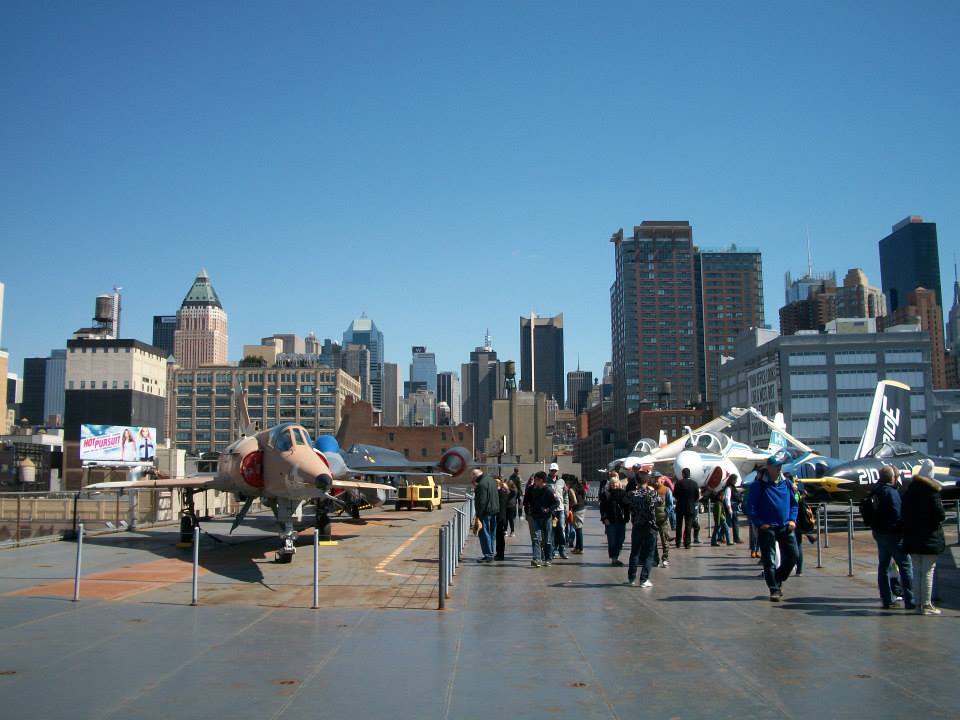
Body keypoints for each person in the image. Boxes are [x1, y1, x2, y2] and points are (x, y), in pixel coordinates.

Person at [744, 451, 798, 602]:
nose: (779, 469)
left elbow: (794, 504)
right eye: (776, 466)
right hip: (767, 528)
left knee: (793, 556)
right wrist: (760, 524)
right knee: (769, 560)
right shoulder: (759, 485)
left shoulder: (786, 483)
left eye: (780, 466)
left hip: (785, 526)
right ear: (769, 468)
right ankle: (774, 589)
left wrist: (792, 520)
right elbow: (751, 507)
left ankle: (778, 578)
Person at [902, 459, 946, 615]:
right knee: (928, 571)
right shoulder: (932, 491)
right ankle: (927, 605)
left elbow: (905, 513)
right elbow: (939, 514)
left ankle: (919, 603)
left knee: (917, 570)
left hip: (913, 537)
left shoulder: (910, 490)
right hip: (930, 537)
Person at [869, 465, 915, 609]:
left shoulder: (875, 492)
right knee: (905, 566)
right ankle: (910, 599)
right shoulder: (892, 493)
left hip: (879, 533)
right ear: (893, 478)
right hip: (893, 534)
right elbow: (898, 514)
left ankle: (887, 599)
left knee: (883, 567)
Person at [623, 471, 662, 587]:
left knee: (635, 552)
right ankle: (644, 579)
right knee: (649, 553)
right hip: (650, 526)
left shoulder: (631, 494)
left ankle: (631, 578)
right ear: (647, 481)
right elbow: (661, 501)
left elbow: (624, 501)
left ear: (636, 481)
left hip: (637, 525)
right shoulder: (652, 493)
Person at [523, 471, 558, 567]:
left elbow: (556, 503)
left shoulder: (549, 490)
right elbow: (528, 501)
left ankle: (548, 559)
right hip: (535, 517)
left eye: (536, 480)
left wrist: (548, 510)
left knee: (547, 539)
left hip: (546, 518)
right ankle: (537, 559)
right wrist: (529, 510)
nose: (534, 482)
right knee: (536, 538)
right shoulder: (534, 490)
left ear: (541, 480)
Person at [599, 471, 628, 566]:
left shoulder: (623, 494)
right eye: (612, 484)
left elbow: (627, 507)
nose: (614, 485)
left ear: (619, 484)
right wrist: (604, 518)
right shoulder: (606, 494)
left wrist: (627, 517)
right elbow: (602, 508)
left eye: (615, 484)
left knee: (621, 539)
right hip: (610, 520)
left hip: (621, 520)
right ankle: (614, 558)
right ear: (610, 485)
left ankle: (616, 555)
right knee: (612, 540)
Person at [472, 468, 500, 563]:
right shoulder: (491, 480)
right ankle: (491, 553)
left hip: (485, 512)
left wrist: (478, 516)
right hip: (494, 510)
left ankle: (488, 555)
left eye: (472, 476)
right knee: (492, 533)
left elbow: (482, 501)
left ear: (475, 476)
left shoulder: (481, 484)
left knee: (484, 533)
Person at [673, 468, 700, 549]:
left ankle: (678, 542)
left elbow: (675, 494)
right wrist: (691, 501)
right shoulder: (694, 484)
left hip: (680, 506)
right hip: (690, 507)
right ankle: (687, 543)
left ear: (683, 474)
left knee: (679, 525)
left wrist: (680, 499)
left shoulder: (678, 483)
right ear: (689, 474)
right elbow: (697, 496)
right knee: (688, 526)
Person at [546, 463, 569, 560]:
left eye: (555, 470)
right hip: (551, 510)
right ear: (549, 471)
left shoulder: (561, 481)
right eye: (552, 470)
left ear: (557, 471)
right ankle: (552, 550)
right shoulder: (546, 481)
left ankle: (562, 550)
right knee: (552, 531)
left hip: (560, 509)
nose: (553, 472)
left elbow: (565, 496)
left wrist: (566, 508)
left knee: (561, 529)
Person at [652, 473, 672, 568]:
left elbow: (670, 504)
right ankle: (655, 559)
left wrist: (666, 513)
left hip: (663, 519)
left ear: (661, 479)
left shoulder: (666, 490)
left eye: (657, 478)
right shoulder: (650, 490)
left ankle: (665, 559)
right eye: (654, 478)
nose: (656, 480)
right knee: (653, 541)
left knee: (665, 540)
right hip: (652, 520)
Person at [569, 476, 586, 554]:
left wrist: (570, 506)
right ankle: (578, 547)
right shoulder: (580, 487)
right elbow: (584, 496)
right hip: (582, 508)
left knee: (578, 529)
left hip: (577, 509)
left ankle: (580, 548)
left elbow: (574, 501)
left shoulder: (572, 489)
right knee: (579, 528)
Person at [494, 478, 510, 561]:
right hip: (503, 516)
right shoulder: (504, 493)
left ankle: (500, 554)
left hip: (500, 517)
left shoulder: (499, 493)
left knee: (499, 537)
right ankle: (499, 554)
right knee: (500, 536)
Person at [727, 475, 742, 544]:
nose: (736, 481)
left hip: (734, 508)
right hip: (732, 508)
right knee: (730, 523)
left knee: (730, 523)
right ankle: (736, 538)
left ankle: (736, 538)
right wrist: (729, 508)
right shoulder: (729, 488)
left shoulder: (732, 487)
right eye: (735, 480)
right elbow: (727, 498)